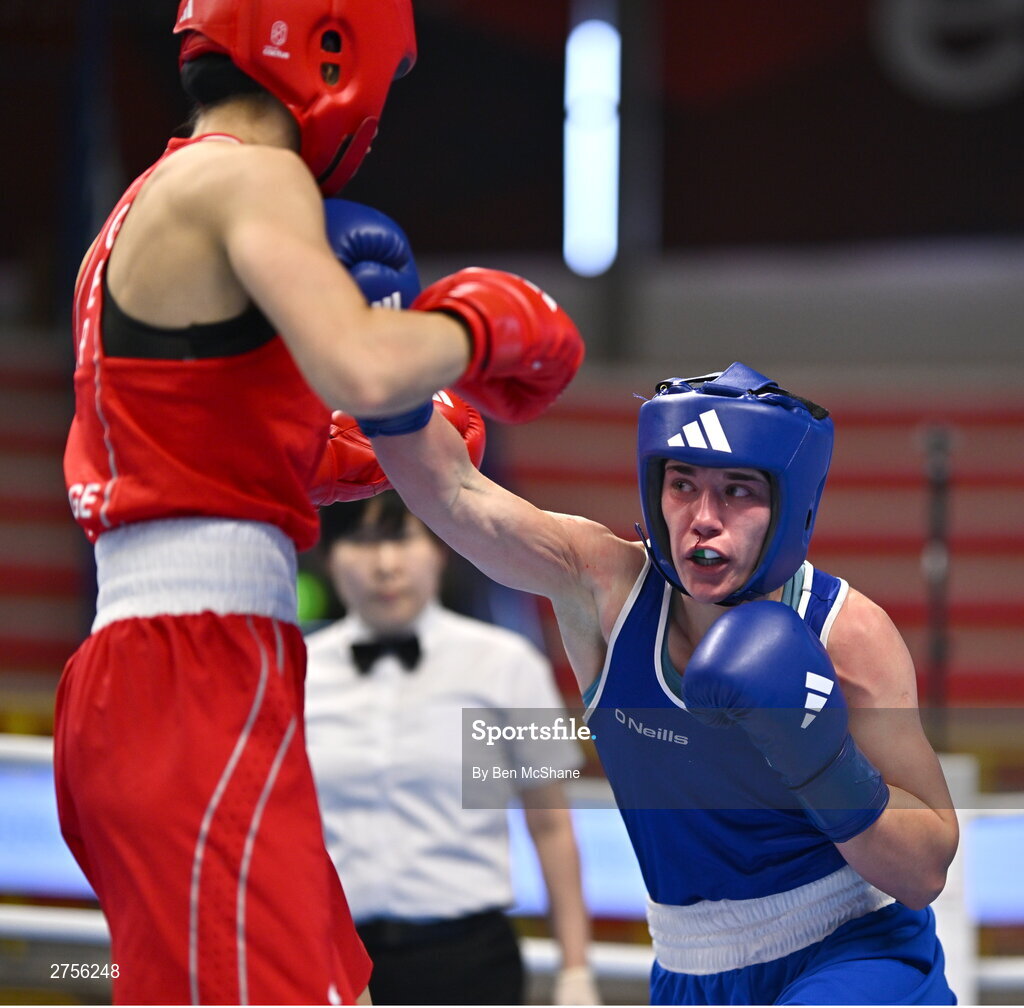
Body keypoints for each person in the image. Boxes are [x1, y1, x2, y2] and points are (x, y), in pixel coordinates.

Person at [54, 0, 583, 1002]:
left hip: (166, 673)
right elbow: (360, 362)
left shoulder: (140, 207)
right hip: (194, 672)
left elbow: (169, 448)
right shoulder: (253, 175)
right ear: (335, 45)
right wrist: (475, 328)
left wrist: (317, 451)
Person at [360, 344, 960, 1004]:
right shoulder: (602, 588)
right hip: (688, 967)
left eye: (737, 491)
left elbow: (925, 869)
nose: (703, 518)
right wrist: (381, 380)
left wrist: (825, 761)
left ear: (790, 508)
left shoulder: (847, 634)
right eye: (683, 486)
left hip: (854, 949)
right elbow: (453, 491)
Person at [303, 493, 602, 1006]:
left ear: (439, 547)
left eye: (400, 538)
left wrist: (576, 970)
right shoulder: (295, 670)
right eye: (362, 541)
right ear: (330, 556)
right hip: (327, 956)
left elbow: (550, 825)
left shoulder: (509, 665)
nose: (385, 565)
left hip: (467, 963)